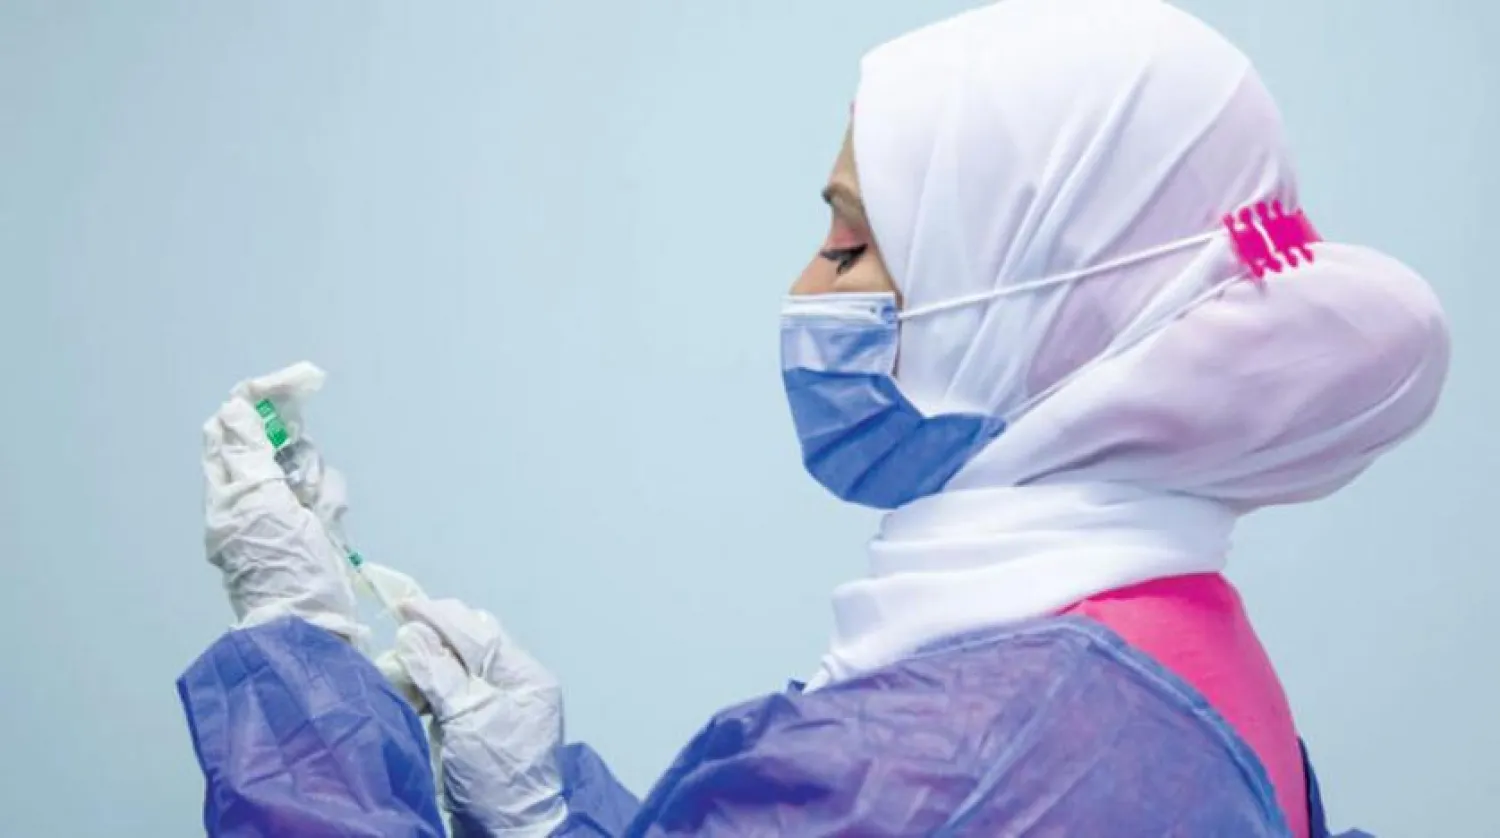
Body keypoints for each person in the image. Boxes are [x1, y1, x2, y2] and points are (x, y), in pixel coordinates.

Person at [178, 0, 1448, 835]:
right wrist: (542, 807)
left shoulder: (951, 761)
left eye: (850, 240)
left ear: (1035, 290)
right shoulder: (1177, 656)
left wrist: (298, 670)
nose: (803, 291)